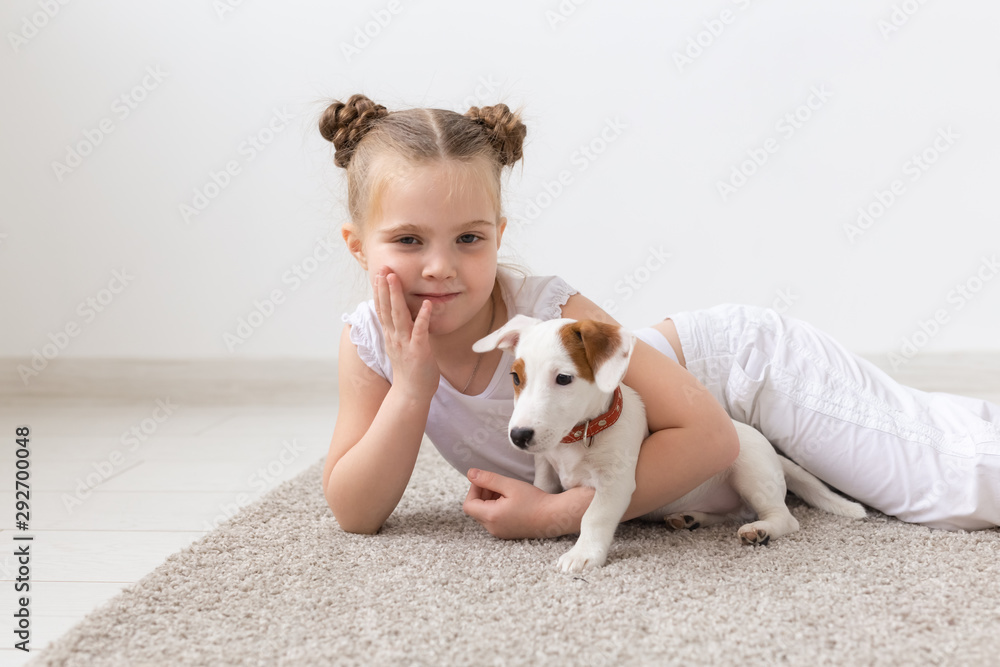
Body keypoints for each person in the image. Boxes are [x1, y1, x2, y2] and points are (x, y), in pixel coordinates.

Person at [320, 94, 999, 537]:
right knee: (922, 441)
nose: (439, 266)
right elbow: (355, 509)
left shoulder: (545, 309)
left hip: (741, 373)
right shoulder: (370, 344)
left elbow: (711, 437)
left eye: (469, 239)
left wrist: (557, 514)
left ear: (498, 235)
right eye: (409, 241)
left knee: (945, 477)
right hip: (697, 442)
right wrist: (411, 388)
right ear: (358, 245)